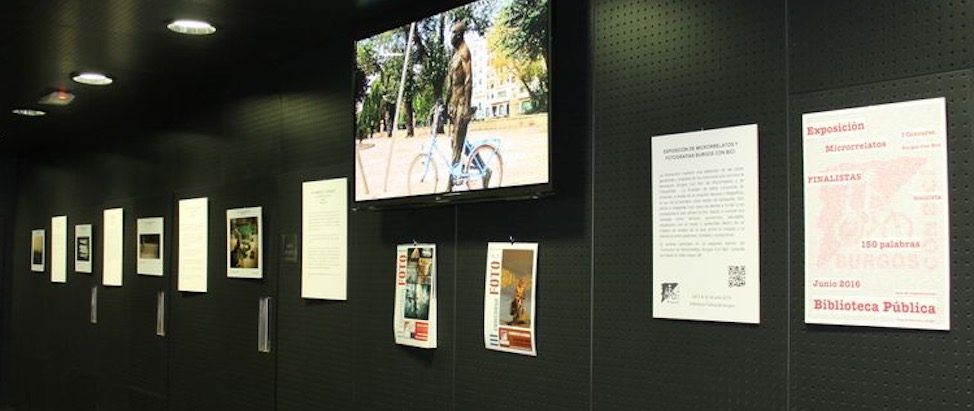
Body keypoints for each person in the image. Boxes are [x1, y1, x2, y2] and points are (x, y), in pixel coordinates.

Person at [447, 21, 473, 189]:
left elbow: (468, 80)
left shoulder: (465, 53)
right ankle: (485, 169)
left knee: (457, 144)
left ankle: (450, 183)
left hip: (462, 104)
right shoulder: (455, 55)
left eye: (454, 33)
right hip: (454, 104)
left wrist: (467, 107)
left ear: (460, 34)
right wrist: (445, 101)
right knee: (455, 142)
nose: (452, 36)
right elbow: (451, 83)